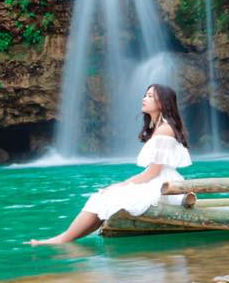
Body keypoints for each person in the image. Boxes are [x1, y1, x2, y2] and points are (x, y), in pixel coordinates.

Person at [27, 83, 192, 245]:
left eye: (150, 96)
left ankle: (62, 239)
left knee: (104, 197)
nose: (144, 99)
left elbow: (153, 172)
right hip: (160, 182)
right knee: (101, 198)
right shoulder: (158, 127)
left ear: (162, 103)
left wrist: (122, 185)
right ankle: (65, 238)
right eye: (145, 95)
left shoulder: (164, 129)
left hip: (163, 188)